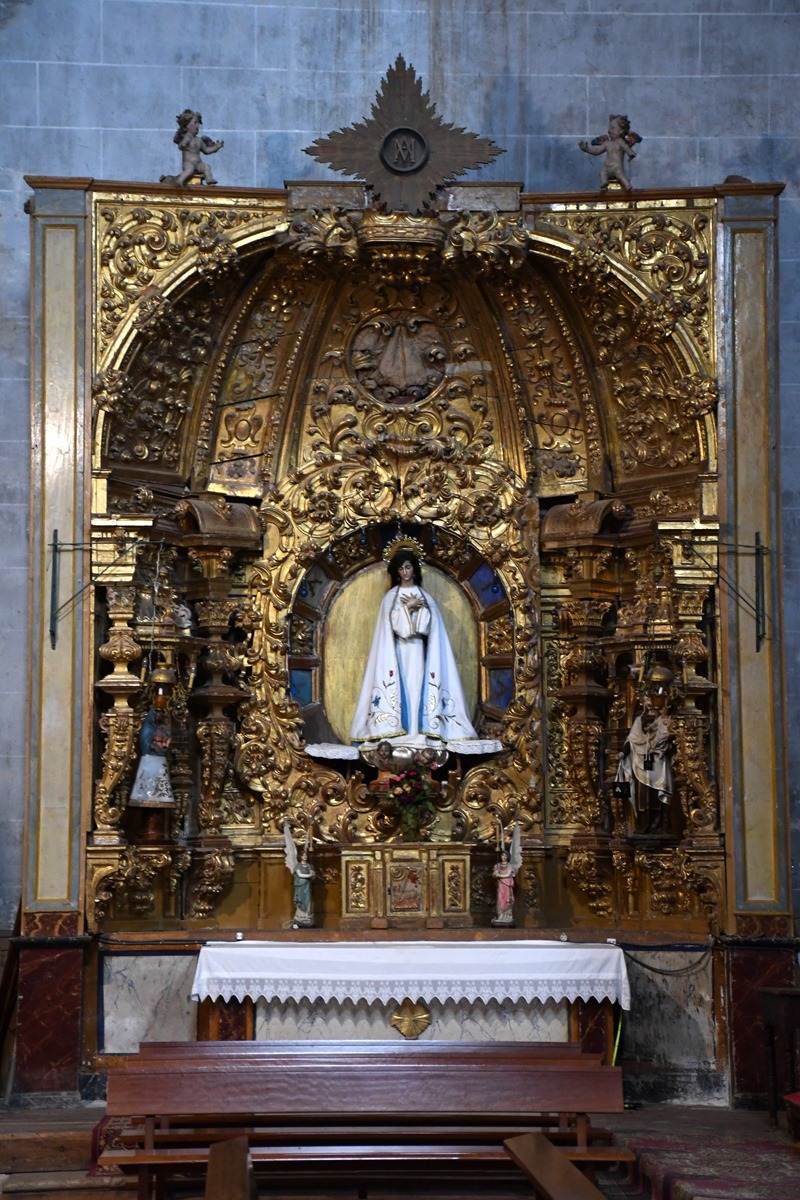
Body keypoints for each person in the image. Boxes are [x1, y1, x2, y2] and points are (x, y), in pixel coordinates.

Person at [350, 546, 484, 750]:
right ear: (396, 572)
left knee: (417, 686)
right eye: (401, 568)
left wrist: (419, 611)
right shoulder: (391, 597)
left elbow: (429, 627)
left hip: (419, 651)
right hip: (397, 652)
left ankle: (418, 731)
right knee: (400, 686)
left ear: (414, 569)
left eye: (408, 567)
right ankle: (400, 732)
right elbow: (396, 628)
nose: (405, 572)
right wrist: (408, 608)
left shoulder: (425, 597)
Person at [130, 693, 174, 805]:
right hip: (149, 759)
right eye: (157, 713)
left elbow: (166, 740)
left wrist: (163, 744)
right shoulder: (148, 727)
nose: (159, 716)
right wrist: (154, 746)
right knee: (147, 787)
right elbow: (145, 742)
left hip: (159, 760)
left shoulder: (161, 727)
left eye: (161, 713)